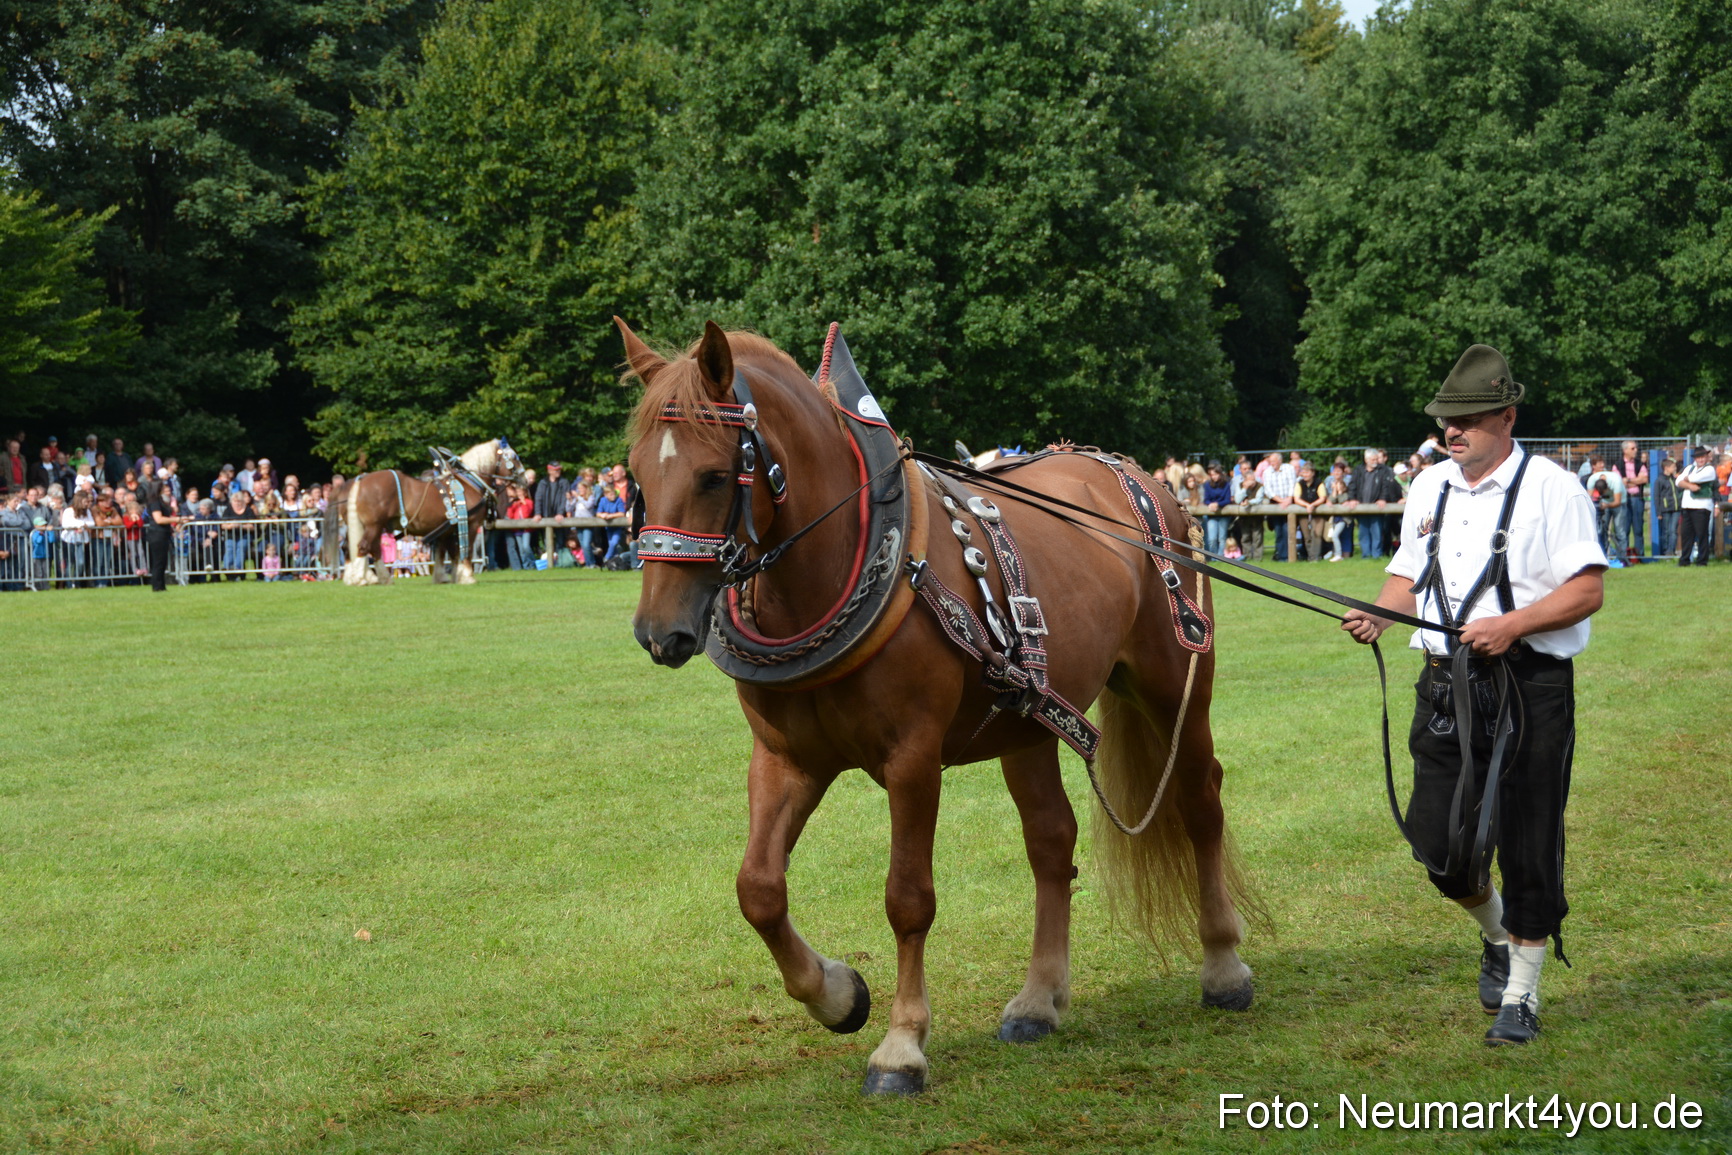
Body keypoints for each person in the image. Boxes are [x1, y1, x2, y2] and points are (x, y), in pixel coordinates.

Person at [1341, 344, 1607, 1047]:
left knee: (1528, 842)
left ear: (1507, 416)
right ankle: (1495, 936)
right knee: (1437, 845)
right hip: (1443, 686)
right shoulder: (1429, 486)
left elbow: (1587, 589)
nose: (1452, 431)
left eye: (1468, 419)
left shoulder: (1553, 488)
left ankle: (1521, 993)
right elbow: (1408, 571)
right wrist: (1380, 610)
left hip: (1528, 687)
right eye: (1445, 420)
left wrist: (1512, 623)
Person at [142, 478, 187, 591]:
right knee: (158, 561)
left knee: (162, 561)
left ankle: (161, 585)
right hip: (157, 534)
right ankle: (157, 586)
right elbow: (159, 519)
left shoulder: (159, 501)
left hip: (163, 533)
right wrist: (178, 519)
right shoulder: (154, 502)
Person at [1676, 445, 1716, 566]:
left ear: (1706, 457)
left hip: (1702, 506)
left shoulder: (1710, 469)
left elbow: (1695, 477)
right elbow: (1678, 481)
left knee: (1702, 534)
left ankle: (1702, 560)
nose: (1700, 460)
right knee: (1686, 535)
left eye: (1702, 457)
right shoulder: (1689, 467)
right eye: (1698, 457)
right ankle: (1685, 560)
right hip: (1687, 505)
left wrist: (1686, 480)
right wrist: (1690, 486)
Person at [1583, 457, 1623, 561]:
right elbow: (1588, 498)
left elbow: (1618, 502)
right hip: (1603, 506)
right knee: (1601, 533)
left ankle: (1622, 558)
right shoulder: (1591, 480)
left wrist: (1606, 505)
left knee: (1619, 531)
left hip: (1619, 503)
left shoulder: (1615, 480)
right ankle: (1602, 557)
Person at [1612, 441, 1647, 557]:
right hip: (1624, 500)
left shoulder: (1640, 464)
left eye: (1636, 448)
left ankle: (1639, 555)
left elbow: (1644, 479)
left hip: (1637, 498)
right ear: (1625, 450)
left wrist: (1628, 481)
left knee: (1638, 528)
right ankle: (1624, 555)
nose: (1635, 450)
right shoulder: (1617, 465)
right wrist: (1635, 481)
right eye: (1632, 448)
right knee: (1624, 528)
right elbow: (1617, 482)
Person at [1293, 460, 1327, 561]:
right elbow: (1296, 498)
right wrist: (1307, 505)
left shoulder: (1319, 482)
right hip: (1304, 512)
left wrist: (1313, 505)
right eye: (1303, 472)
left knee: (1317, 534)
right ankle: (1310, 556)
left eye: (1307, 472)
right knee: (1307, 535)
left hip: (1318, 512)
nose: (1305, 474)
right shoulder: (1299, 483)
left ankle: (1315, 557)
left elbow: (1322, 497)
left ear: (1312, 473)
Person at [1200, 462, 1232, 556]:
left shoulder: (1226, 484)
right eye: (1212, 475)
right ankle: (1214, 556)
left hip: (1223, 514)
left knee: (1222, 537)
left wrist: (1217, 504)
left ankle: (1221, 556)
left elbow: (1227, 500)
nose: (1214, 476)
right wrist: (1211, 504)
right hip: (1212, 515)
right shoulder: (1207, 485)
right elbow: (1206, 499)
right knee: (1212, 538)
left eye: (1215, 474)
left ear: (1220, 474)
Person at [1653, 456, 1680, 557]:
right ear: (1666, 468)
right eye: (1673, 467)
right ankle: (1666, 550)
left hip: (1676, 508)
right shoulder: (1659, 480)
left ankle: (1671, 550)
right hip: (1665, 509)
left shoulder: (1674, 479)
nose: (1675, 469)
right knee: (1666, 531)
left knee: (1673, 530)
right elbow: (1657, 496)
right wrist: (1658, 512)